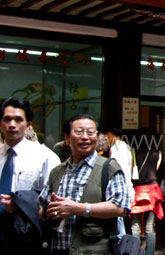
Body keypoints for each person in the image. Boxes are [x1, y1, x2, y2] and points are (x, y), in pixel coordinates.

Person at [39, 114, 131, 255]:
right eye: (79, 131)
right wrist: (49, 211)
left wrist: (80, 208)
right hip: (57, 247)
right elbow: (41, 208)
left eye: (90, 132)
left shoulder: (108, 167)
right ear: (67, 138)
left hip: (93, 250)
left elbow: (121, 208)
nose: (85, 137)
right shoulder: (57, 172)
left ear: (97, 137)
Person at [0, 97, 60, 252]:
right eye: (7, 119)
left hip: (26, 234)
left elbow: (53, 200)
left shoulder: (45, 157)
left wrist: (20, 204)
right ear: (0, 123)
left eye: (18, 120)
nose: (12, 125)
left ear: (28, 125)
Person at [130, 128, 164, 255]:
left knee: (135, 226)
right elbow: (159, 173)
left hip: (137, 191)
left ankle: (134, 252)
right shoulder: (157, 153)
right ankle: (150, 253)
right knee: (150, 228)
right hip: (152, 191)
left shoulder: (133, 151)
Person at [102, 126, 135, 237]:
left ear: (111, 134)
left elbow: (114, 169)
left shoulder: (116, 149)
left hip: (121, 188)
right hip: (128, 186)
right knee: (122, 221)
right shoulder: (127, 147)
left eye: (106, 136)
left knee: (119, 223)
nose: (106, 138)